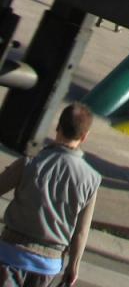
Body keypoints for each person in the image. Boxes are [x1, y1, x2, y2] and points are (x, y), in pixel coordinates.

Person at [0, 102, 100, 287]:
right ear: (84, 136)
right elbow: (81, 230)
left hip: (11, 254)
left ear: (58, 127)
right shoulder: (91, 179)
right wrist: (73, 266)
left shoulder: (31, 162)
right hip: (48, 264)